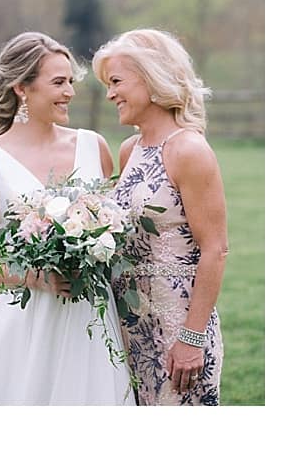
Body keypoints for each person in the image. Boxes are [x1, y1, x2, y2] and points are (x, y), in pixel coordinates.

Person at [0, 31, 132, 404]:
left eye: (70, 81)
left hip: (91, 315)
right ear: (23, 88)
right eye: (58, 82)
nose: (69, 91)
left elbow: (114, 228)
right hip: (26, 315)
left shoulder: (93, 145)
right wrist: (40, 277)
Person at [97, 28, 228, 405]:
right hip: (129, 322)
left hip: (178, 324)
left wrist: (191, 337)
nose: (110, 94)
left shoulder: (188, 149)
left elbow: (215, 249)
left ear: (151, 79)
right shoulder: (128, 150)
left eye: (117, 81)